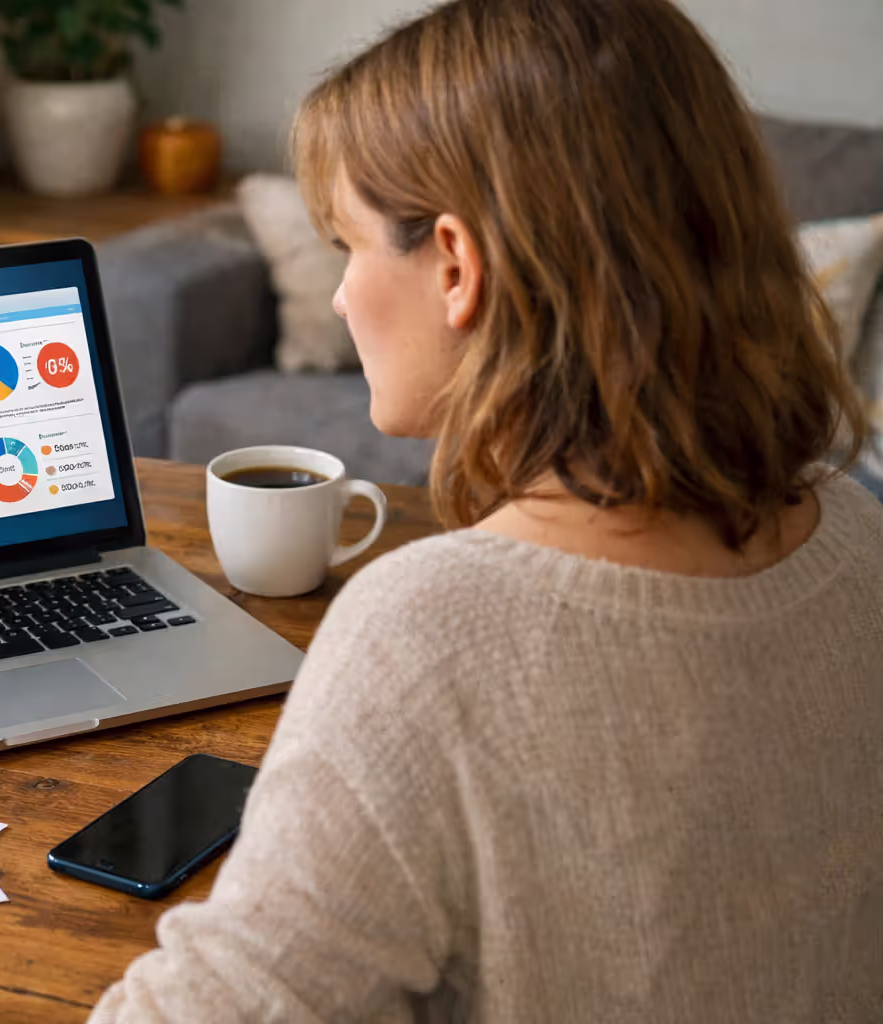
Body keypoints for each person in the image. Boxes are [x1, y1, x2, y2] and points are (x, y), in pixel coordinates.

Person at [90, 0, 883, 1020]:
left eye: (348, 246)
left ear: (457, 266)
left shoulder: (433, 628)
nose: (340, 297)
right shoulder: (855, 539)